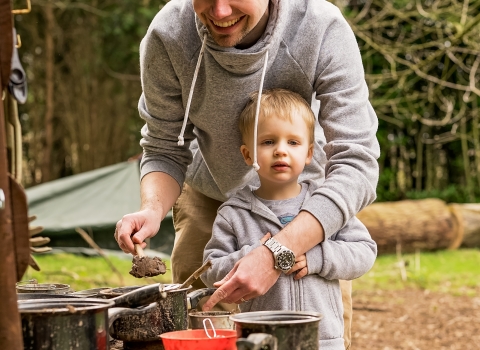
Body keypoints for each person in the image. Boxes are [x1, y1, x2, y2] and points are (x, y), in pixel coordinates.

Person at [114, 0, 380, 348]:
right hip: (206, 187)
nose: (220, 12)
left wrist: (277, 254)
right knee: (196, 319)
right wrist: (152, 209)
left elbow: (356, 161)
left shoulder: (320, 25)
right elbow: (164, 146)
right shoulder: (168, 35)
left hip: (305, 199)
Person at [201, 88, 377, 349]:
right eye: (268, 141)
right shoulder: (233, 213)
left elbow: (364, 252)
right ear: (248, 154)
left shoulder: (326, 205)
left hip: (323, 340)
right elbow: (211, 270)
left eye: (292, 142)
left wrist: (318, 257)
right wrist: (254, 255)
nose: (280, 151)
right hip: (259, 339)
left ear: (308, 154)